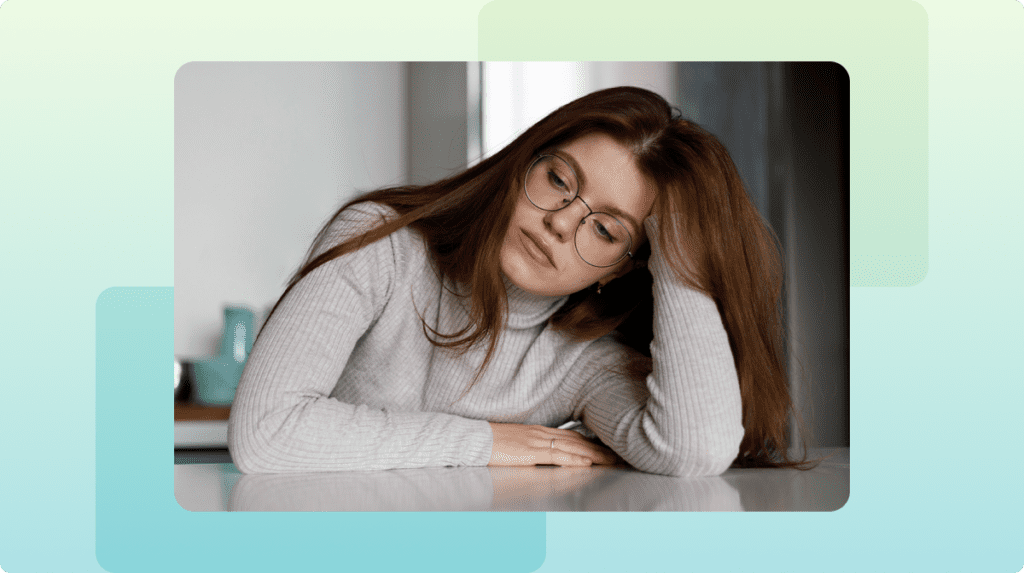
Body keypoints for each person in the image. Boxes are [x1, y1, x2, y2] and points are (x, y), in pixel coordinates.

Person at [228, 86, 806, 477]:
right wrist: (488, 441)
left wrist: (681, 245)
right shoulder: (382, 242)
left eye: (604, 230)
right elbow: (264, 431)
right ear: (523, 161)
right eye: (559, 178)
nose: (559, 223)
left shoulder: (585, 360)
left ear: (629, 265)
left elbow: (695, 448)